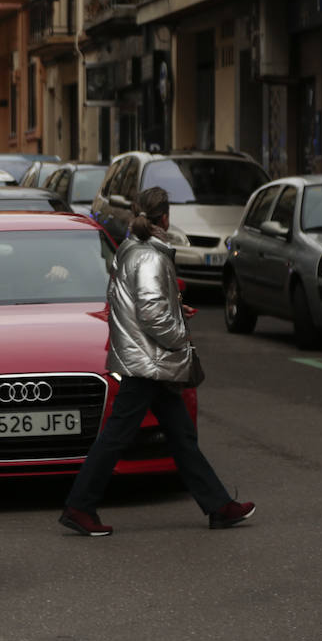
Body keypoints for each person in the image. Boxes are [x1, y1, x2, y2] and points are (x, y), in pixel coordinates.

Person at [58, 186, 254, 536]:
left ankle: (219, 506)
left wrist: (176, 309)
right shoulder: (149, 255)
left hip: (146, 359)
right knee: (117, 436)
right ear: (164, 217)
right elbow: (150, 313)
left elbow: (138, 303)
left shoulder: (132, 248)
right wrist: (180, 337)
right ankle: (79, 506)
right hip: (147, 361)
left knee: (180, 435)